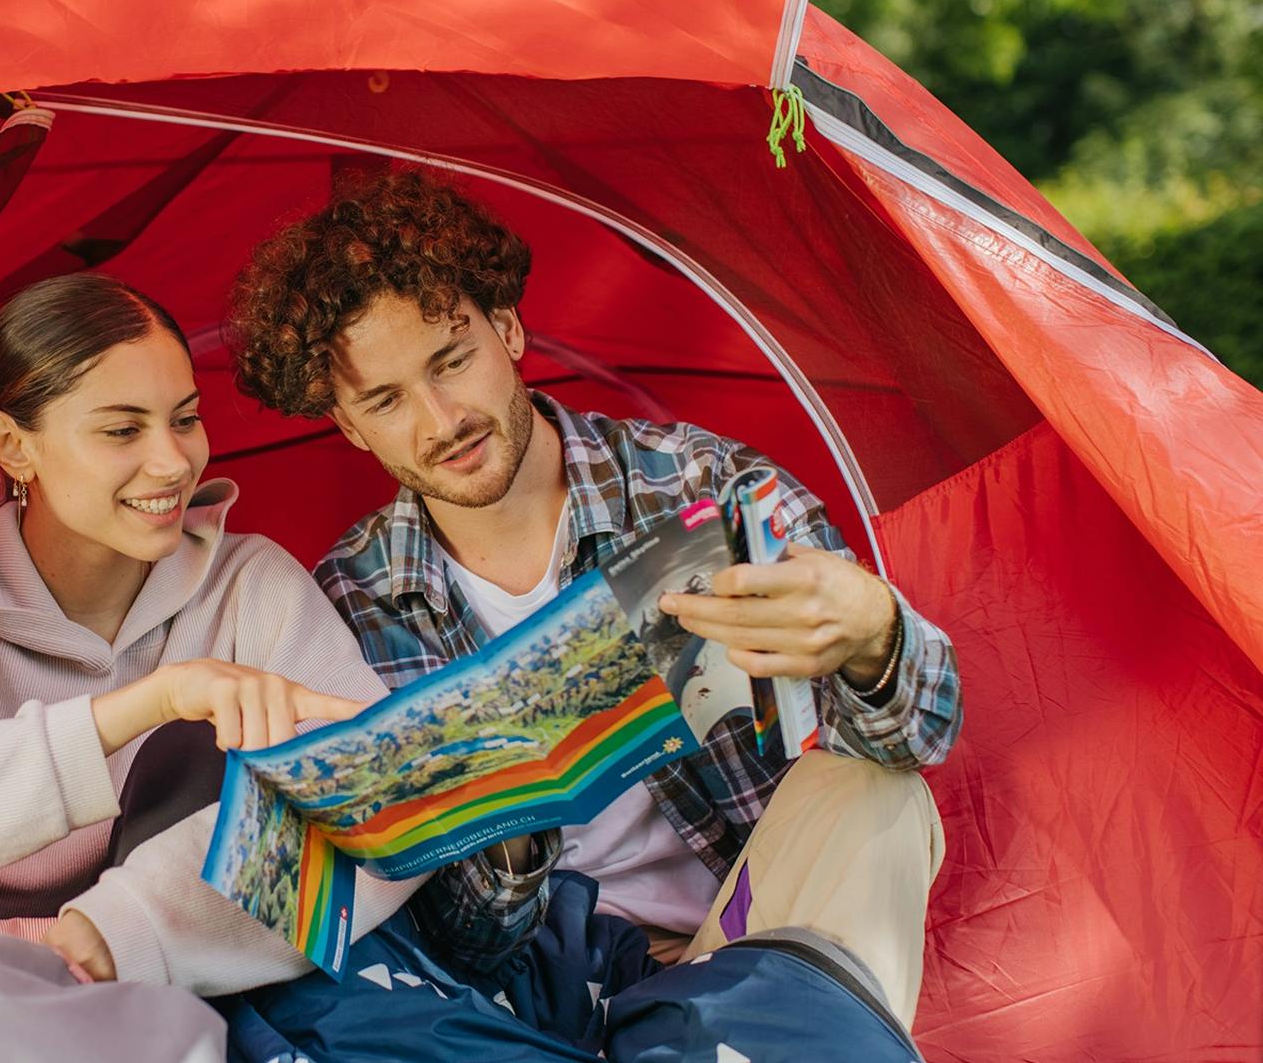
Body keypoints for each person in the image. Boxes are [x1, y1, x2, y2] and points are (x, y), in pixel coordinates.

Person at [227, 168, 962, 1031]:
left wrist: (873, 632)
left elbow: (924, 730)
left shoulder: (704, 486)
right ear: (349, 425)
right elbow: (456, 945)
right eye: (386, 401)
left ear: (507, 329)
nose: (440, 419)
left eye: (452, 361)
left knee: (882, 791)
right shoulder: (350, 602)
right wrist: (500, 818)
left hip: (758, 931)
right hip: (547, 997)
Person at [0, 272, 423, 993]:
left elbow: (383, 799)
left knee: (203, 752)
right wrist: (146, 705)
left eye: (185, 419)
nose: (174, 462)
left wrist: (119, 934)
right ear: (13, 445)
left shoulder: (252, 584)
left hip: (187, 981)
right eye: (123, 430)